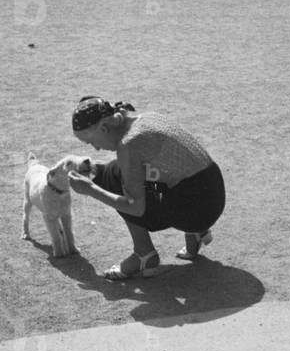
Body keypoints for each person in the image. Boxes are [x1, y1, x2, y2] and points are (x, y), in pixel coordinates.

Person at [68, 96, 226, 280]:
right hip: (212, 195)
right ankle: (196, 234)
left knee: (114, 180)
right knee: (115, 170)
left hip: (194, 211)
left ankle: (144, 254)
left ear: (104, 128)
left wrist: (90, 189)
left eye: (92, 142)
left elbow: (135, 207)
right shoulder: (147, 118)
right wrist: (98, 168)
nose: (95, 148)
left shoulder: (128, 146)